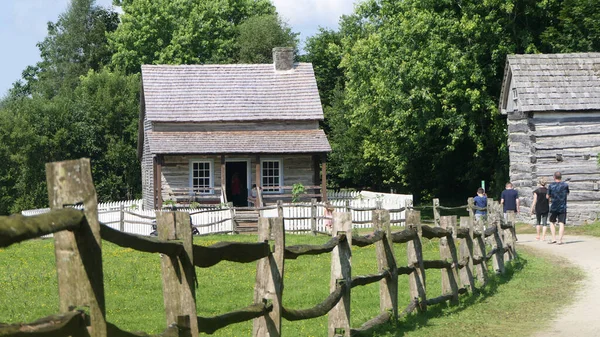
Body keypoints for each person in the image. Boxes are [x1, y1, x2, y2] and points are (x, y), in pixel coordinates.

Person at [547, 171, 569, 245]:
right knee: (561, 223)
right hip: (562, 206)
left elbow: (547, 196)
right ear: (561, 177)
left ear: (554, 177)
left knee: (552, 222)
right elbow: (567, 193)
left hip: (554, 206)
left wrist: (551, 198)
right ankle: (560, 240)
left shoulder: (551, 185)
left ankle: (553, 239)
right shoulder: (565, 185)